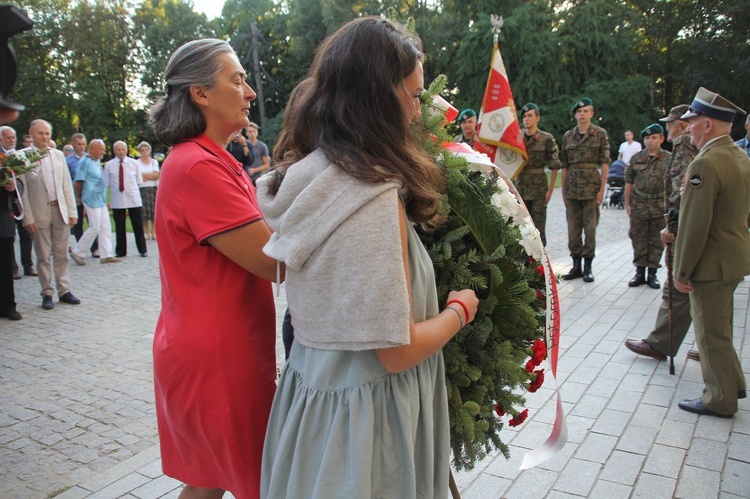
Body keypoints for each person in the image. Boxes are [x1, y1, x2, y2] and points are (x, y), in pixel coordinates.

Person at [257, 17, 479, 498]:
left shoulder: (314, 175)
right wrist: (460, 309)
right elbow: (395, 353)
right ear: (380, 98)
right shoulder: (369, 197)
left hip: (315, 406)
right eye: (415, 95)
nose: (419, 112)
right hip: (366, 433)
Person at [147, 38, 279, 499]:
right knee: (258, 482)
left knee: (209, 483)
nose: (249, 93)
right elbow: (273, 262)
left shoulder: (211, 159)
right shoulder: (198, 167)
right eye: (237, 79)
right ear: (200, 93)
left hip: (213, 346)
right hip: (222, 357)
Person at [673, 87, 750, 418]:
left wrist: (681, 271)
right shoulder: (739, 156)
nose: (688, 127)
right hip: (733, 257)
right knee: (722, 326)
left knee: (710, 333)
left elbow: (694, 226)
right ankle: (734, 383)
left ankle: (719, 398)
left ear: (707, 124)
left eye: (692, 122)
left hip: (710, 263)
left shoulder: (705, 163)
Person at [624, 104, 699, 362]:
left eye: (669, 124)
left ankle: (660, 343)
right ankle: (704, 343)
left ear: (680, 124)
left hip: (685, 227)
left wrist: (673, 226)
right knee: (700, 287)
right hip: (698, 226)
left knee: (677, 285)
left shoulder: (684, 144)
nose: (667, 128)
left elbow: (682, 189)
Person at [19, 119, 81, 310]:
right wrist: (27, 217)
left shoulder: (58, 155)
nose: (45, 137)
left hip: (60, 210)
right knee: (43, 255)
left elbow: (66, 186)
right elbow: (23, 192)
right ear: (31, 134)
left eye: (47, 133)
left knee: (62, 254)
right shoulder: (22, 157)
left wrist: (72, 211)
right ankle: (47, 291)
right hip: (39, 213)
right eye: (40, 133)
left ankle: (64, 289)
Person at [560, 98, 610, 282]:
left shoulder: (599, 134)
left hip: (591, 188)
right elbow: (564, 165)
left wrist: (602, 189)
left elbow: (605, 163)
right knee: (573, 229)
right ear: (575, 114)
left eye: (586, 111)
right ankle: (576, 266)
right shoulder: (568, 136)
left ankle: (588, 266)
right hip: (572, 188)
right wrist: (564, 190)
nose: (582, 114)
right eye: (579, 111)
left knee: (590, 229)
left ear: (592, 113)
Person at [624, 124, 670, 289]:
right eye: (647, 138)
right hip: (639, 204)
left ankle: (652, 274)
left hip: (659, 205)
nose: (650, 141)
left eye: (654, 137)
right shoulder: (637, 158)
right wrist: (627, 204)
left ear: (661, 139)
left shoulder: (669, 159)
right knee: (638, 238)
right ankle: (639, 272)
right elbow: (629, 182)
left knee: (656, 240)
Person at [515, 102, 561, 246]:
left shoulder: (546, 139)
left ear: (537, 118)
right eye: (524, 116)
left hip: (539, 188)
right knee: (522, 226)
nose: (526, 119)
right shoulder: (516, 138)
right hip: (521, 187)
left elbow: (554, 166)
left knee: (538, 227)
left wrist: (551, 190)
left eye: (530, 116)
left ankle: (540, 263)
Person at [69, 140, 120, 265]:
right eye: (100, 149)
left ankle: (106, 254)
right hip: (90, 199)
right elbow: (78, 182)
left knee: (105, 226)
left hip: (100, 199)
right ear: (92, 149)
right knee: (94, 227)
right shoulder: (84, 162)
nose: (103, 152)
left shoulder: (96, 161)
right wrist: (79, 197)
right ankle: (77, 252)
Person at [1, 125, 35, 279]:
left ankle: (28, 265)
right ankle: (13, 268)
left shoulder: (19, 155)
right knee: (10, 235)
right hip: (5, 202)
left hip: (20, 198)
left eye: (13, 137)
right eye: (8, 137)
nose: (11, 140)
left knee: (26, 233)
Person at [105, 141, 147, 257]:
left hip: (133, 197)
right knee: (119, 226)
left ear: (127, 150)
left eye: (123, 149)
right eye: (118, 149)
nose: (121, 152)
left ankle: (142, 249)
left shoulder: (134, 163)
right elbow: (108, 182)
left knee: (137, 225)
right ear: (114, 151)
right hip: (117, 198)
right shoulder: (109, 165)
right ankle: (121, 251)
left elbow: (139, 181)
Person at [66, 133, 98, 257]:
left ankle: (95, 248)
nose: (81, 147)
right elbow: (68, 180)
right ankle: (81, 249)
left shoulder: (91, 159)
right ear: (73, 144)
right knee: (78, 223)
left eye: (83, 144)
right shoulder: (68, 161)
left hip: (91, 196)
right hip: (76, 196)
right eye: (78, 144)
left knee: (93, 222)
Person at [1, 176, 22, 320]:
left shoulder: (4, 160)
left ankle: (7, 306)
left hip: (2, 221)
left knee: (5, 267)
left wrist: (13, 187)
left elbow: (19, 185)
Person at [136, 141, 159, 240]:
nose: (145, 152)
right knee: (143, 211)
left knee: (153, 210)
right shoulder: (137, 163)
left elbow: (156, 175)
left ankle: (154, 231)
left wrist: (144, 175)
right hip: (141, 189)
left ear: (149, 150)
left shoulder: (154, 161)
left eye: (146, 150)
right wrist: (149, 175)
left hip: (152, 188)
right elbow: (137, 176)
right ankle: (146, 232)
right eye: (142, 150)